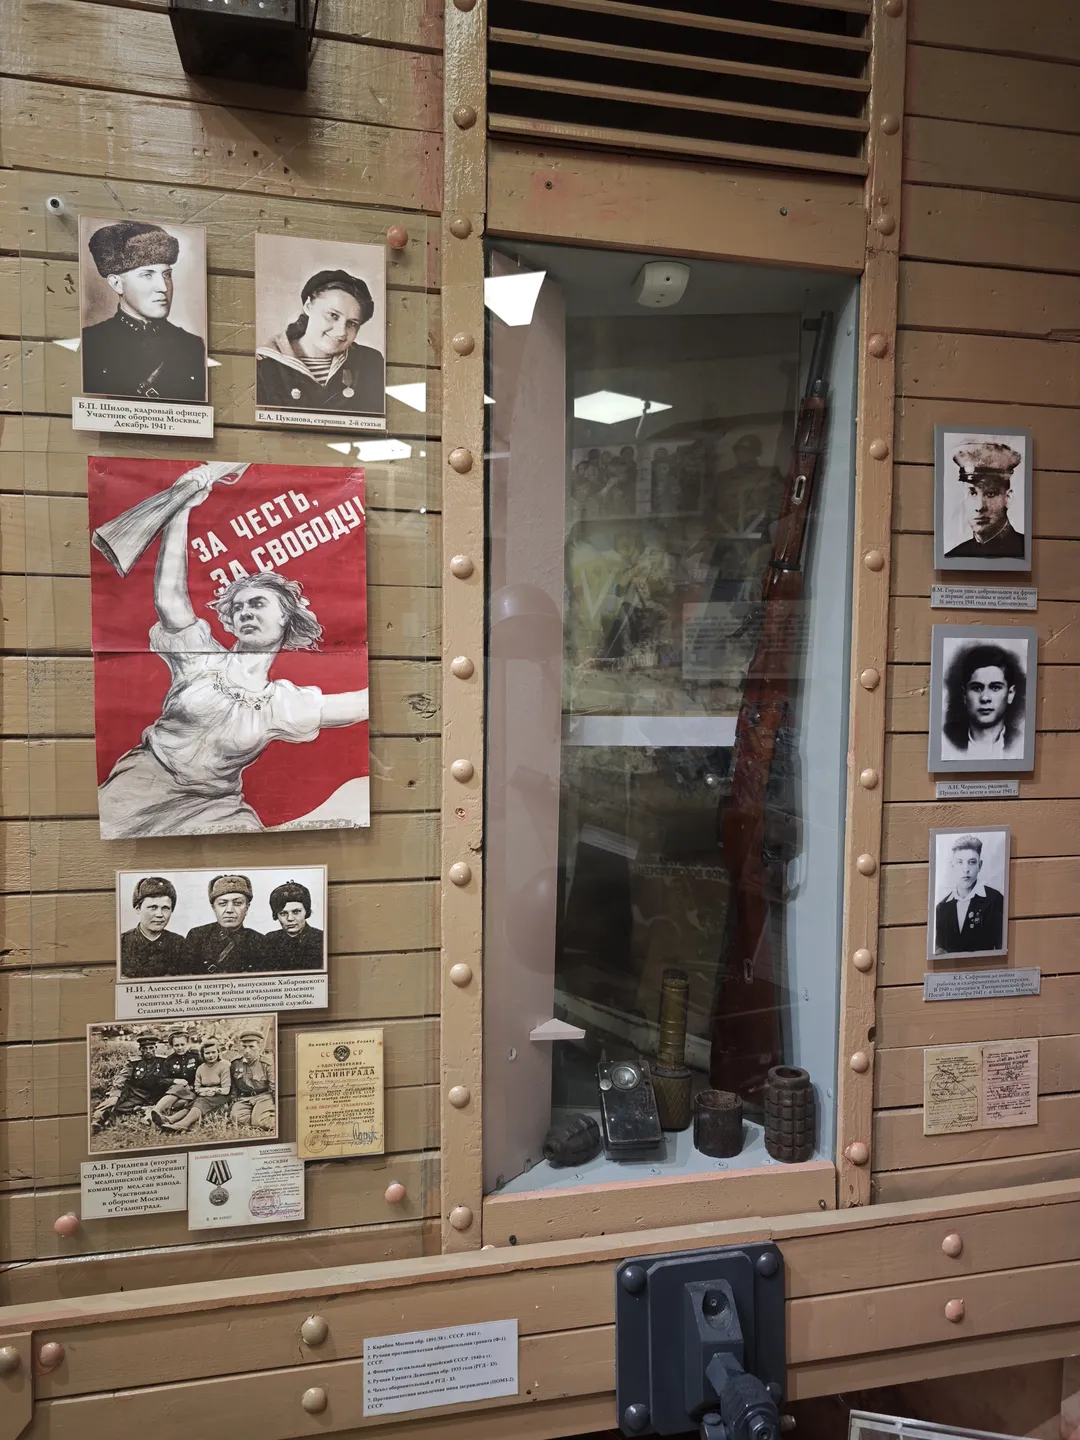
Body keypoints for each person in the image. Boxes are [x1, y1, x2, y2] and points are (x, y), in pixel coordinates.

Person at [96, 462, 370, 838]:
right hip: (139, 789)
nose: (244, 612)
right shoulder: (200, 656)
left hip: (216, 806)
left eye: (257, 604)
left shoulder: (283, 704)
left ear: (285, 619)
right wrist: (182, 510)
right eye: (238, 607)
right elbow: (170, 599)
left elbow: (363, 703)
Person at [82, 221, 206, 403]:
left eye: (167, 275)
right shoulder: (90, 343)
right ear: (117, 283)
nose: (163, 287)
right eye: (147, 275)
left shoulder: (193, 346)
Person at [256, 269, 384, 415]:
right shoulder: (262, 366)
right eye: (333, 315)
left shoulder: (370, 364)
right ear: (308, 306)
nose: (341, 332)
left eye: (352, 324)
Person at [941, 642, 1026, 761]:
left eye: (995, 687)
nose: (985, 698)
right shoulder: (945, 741)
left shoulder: (1020, 743)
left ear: (1010, 694)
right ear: (964, 695)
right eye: (977, 688)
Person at [944, 441, 1025, 560]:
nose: (980, 506)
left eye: (991, 494)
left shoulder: (1025, 552)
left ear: (1007, 498)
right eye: (972, 493)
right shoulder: (953, 557)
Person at [934, 835, 1005, 954]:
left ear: (979, 866)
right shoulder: (942, 908)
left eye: (972, 862)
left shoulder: (995, 900)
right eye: (960, 862)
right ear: (953, 865)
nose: (966, 869)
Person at [183, 874, 266, 974]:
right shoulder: (197, 937)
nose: (229, 910)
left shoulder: (259, 942)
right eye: (222, 904)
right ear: (214, 908)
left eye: (238, 903)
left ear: (247, 908)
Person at [91, 1033, 167, 1132]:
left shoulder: (162, 1061)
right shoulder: (133, 1062)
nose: (148, 1051)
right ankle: (96, 1120)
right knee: (114, 1100)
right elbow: (122, 1076)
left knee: (121, 1108)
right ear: (140, 1050)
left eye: (151, 1048)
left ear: (155, 1048)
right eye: (145, 1048)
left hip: (151, 1095)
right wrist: (116, 1093)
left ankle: (127, 1112)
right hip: (133, 1092)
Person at [153, 1038, 232, 1132]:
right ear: (202, 1055)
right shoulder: (201, 1068)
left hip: (221, 1096)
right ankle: (170, 1119)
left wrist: (213, 1091)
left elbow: (226, 1089)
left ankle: (183, 1124)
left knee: (201, 1103)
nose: (211, 1056)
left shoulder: (225, 1065)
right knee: (193, 1103)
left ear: (218, 1052)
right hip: (205, 1094)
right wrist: (203, 1092)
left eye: (213, 1052)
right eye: (207, 1053)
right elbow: (197, 1088)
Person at [119, 876, 188, 978]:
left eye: (165, 908)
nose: (159, 914)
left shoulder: (180, 944)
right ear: (138, 909)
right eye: (153, 907)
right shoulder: (122, 942)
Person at [262, 880, 324, 971]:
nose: (290, 918)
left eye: (296, 912)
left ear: (306, 912)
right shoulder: (268, 941)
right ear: (276, 915)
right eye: (283, 913)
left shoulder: (321, 939)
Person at [148, 1030, 202, 1121]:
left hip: (194, 1091)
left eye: (182, 1044)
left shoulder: (196, 1057)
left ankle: (153, 1112)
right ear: (172, 1046)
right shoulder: (169, 1061)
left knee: (183, 1101)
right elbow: (161, 1080)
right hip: (175, 1092)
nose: (180, 1048)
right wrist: (175, 1081)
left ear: (187, 1044)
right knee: (180, 1093)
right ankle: (155, 1113)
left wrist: (194, 1086)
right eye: (176, 1045)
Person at [229, 1030, 276, 1132]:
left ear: (259, 1047)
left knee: (260, 1122)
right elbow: (234, 1085)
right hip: (245, 1098)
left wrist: (278, 1104)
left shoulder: (266, 1064)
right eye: (244, 1046)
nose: (247, 1050)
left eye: (251, 1047)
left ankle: (267, 1116)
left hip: (263, 1096)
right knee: (236, 1118)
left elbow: (274, 1086)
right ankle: (257, 1117)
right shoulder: (235, 1063)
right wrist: (234, 1099)